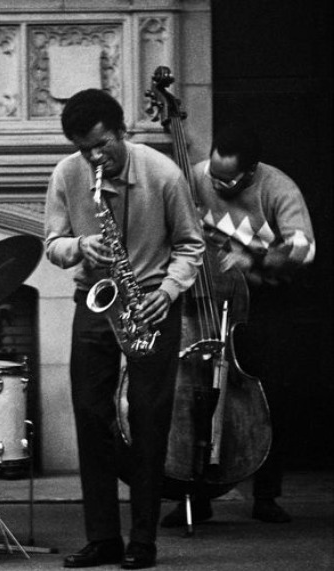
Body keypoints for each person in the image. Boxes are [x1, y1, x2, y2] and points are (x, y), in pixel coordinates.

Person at [44, 89, 205, 569]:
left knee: (149, 421)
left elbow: (191, 244)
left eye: (102, 145)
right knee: (91, 418)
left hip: (152, 301)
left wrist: (168, 292)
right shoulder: (66, 173)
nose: (94, 158)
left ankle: (143, 541)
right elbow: (52, 243)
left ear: (122, 131)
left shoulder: (164, 174)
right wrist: (78, 245)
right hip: (96, 298)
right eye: (84, 149)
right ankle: (103, 539)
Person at [160, 123, 315, 528]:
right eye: (213, 175)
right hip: (208, 299)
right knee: (198, 392)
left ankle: (266, 496)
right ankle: (196, 495)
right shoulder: (197, 176)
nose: (215, 184)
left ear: (249, 173)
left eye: (226, 180)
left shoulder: (278, 188)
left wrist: (255, 259)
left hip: (263, 301)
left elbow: (304, 249)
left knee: (266, 395)